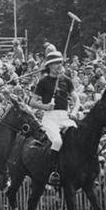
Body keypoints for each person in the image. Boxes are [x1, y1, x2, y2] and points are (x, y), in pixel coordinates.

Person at [29, 51, 80, 186]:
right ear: (50, 66)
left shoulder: (67, 80)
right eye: (56, 63)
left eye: (60, 63)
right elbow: (32, 102)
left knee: (78, 137)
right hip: (50, 118)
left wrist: (74, 111)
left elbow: (77, 99)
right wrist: (45, 106)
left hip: (65, 116)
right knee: (57, 141)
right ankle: (53, 172)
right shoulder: (43, 82)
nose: (59, 65)